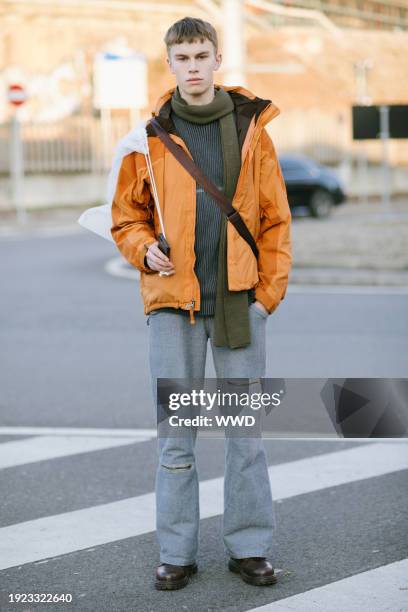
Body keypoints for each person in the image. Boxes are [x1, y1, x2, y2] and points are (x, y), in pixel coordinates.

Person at [111, 16, 292, 591]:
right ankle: (177, 553)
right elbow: (126, 218)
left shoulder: (252, 130)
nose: (193, 67)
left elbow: (275, 221)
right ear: (171, 65)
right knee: (177, 437)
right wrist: (143, 251)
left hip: (239, 303)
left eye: (201, 56)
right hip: (173, 309)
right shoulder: (147, 138)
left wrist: (266, 297)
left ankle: (250, 548)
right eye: (182, 58)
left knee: (245, 435)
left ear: (218, 61)